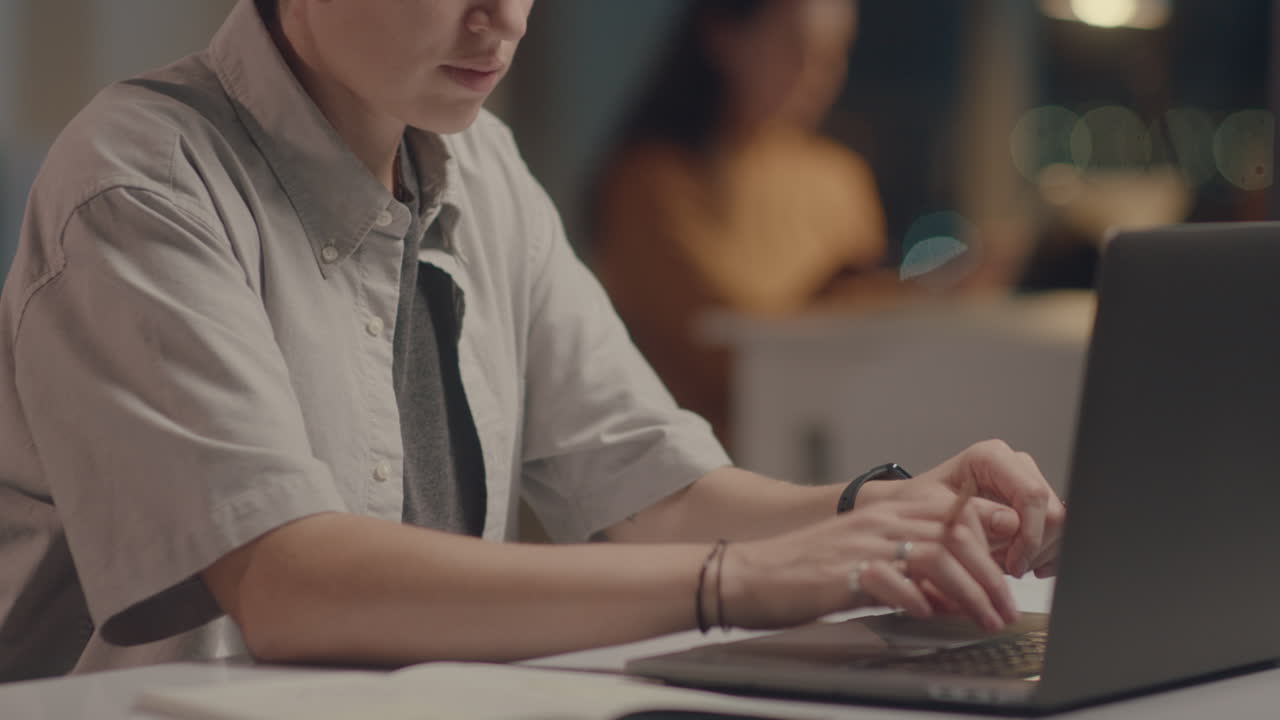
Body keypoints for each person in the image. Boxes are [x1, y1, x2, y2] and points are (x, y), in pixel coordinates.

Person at [0, 0, 1063, 682]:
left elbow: (652, 488)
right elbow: (291, 583)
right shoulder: (139, 178)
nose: (501, 19)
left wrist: (870, 514)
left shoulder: (483, 169)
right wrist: (739, 580)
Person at [593, 0, 894, 444]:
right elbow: (715, 354)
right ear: (723, 35)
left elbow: (874, 332)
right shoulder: (650, 184)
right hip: (696, 461)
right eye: (798, 46)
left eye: (837, 50)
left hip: (838, 440)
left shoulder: (839, 177)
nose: (824, 70)